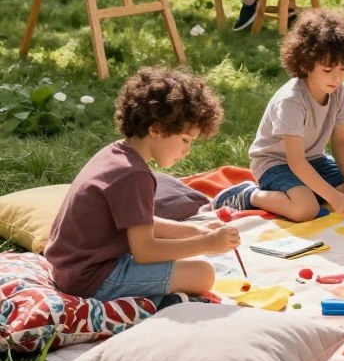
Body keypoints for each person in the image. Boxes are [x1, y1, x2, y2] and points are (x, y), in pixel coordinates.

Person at [45, 68, 239, 303]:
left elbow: (141, 222)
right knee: (202, 274)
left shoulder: (117, 153)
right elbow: (145, 251)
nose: (187, 151)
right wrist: (206, 243)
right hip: (91, 280)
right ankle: (160, 303)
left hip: (70, 269)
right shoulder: (134, 175)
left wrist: (197, 231)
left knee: (186, 263)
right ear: (156, 129)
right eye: (185, 141)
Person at [212, 9, 344, 222]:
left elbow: (341, 142)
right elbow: (295, 161)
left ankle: (309, 191)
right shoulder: (291, 100)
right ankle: (249, 195)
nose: (336, 77)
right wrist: (334, 197)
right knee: (304, 210)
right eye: (327, 70)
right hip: (275, 163)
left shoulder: (338, 90)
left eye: (343, 68)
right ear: (306, 64)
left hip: (314, 159)